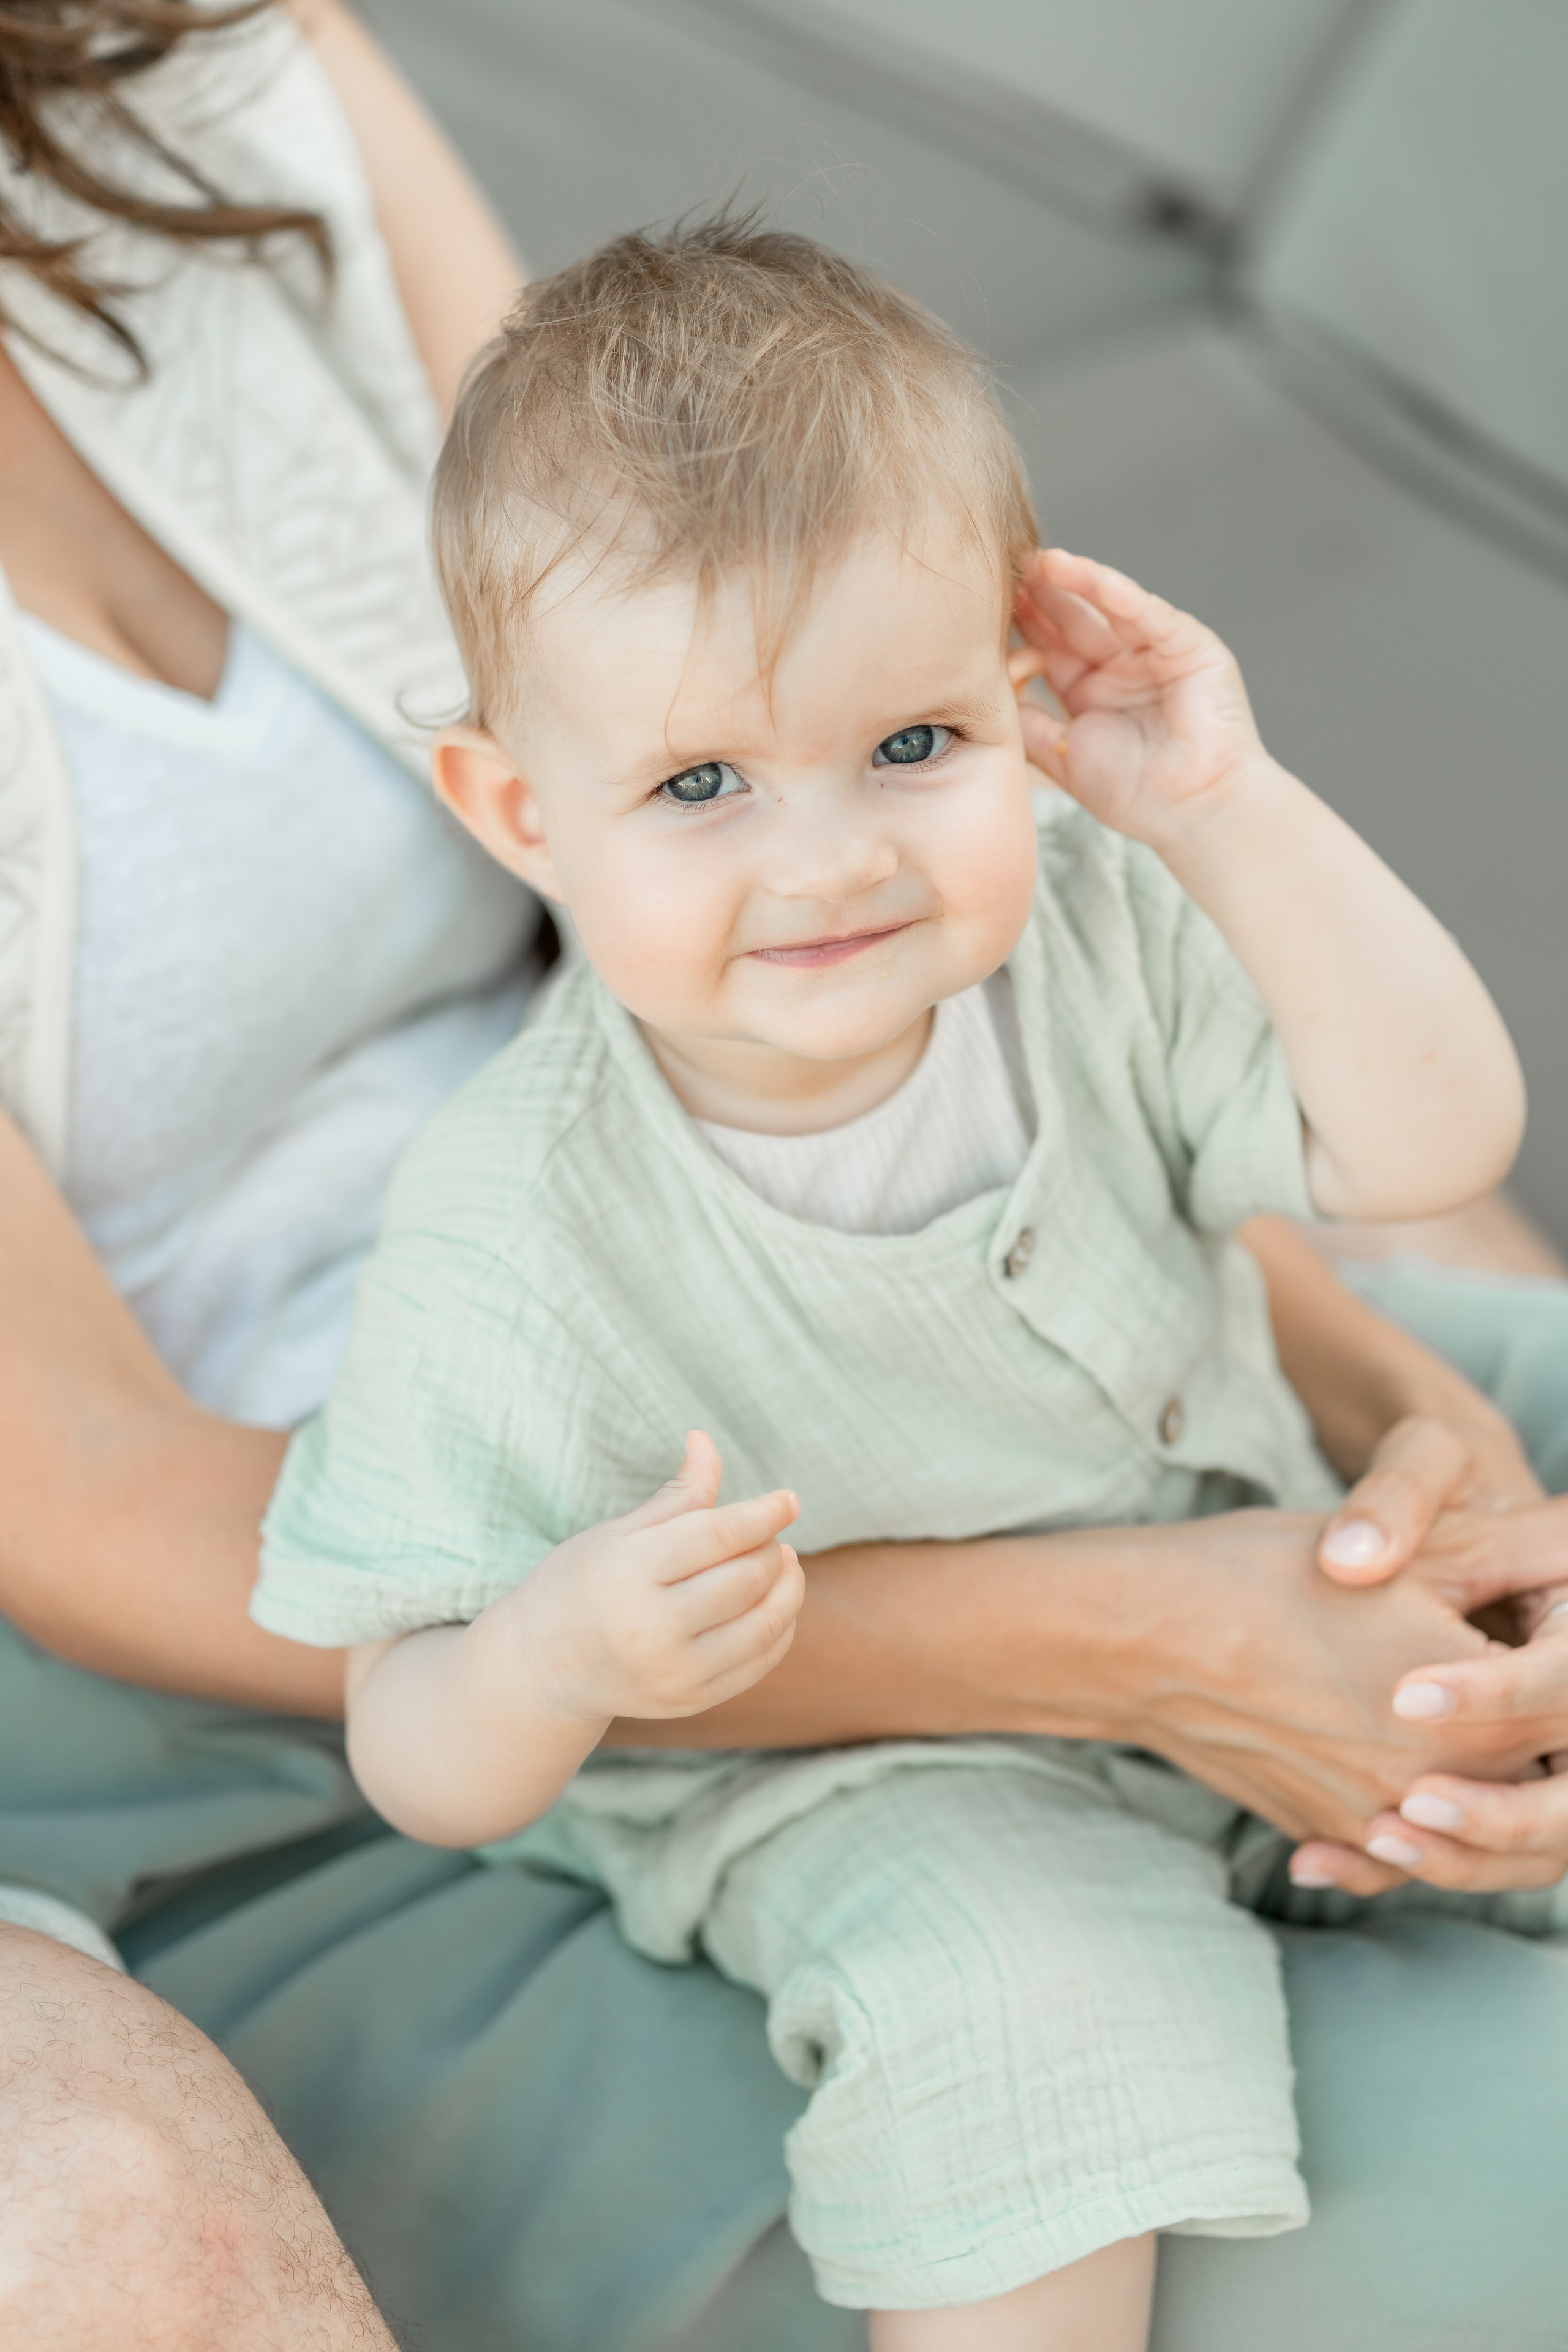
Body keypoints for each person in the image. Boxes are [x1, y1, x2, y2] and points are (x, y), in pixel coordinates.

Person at [1, 4, 1566, 2346]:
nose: (827, 855)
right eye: (710, 788)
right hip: (775, 1682)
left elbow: (1420, 1146)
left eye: (912, 744)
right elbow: (400, 1697)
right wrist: (568, 1649)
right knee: (1037, 2046)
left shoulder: (213, 67)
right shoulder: (498, 1257)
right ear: (515, 810)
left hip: (1160, 1430)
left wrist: (1405, 1432)